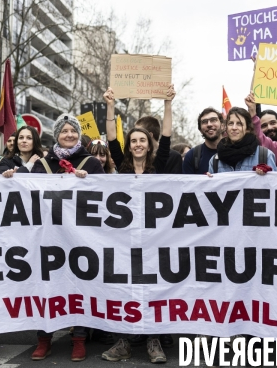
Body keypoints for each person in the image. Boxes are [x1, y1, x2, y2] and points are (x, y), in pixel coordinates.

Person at [2, 114, 102, 362]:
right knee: (46, 285)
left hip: (80, 238)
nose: (69, 135)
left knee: (78, 286)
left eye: (73, 131)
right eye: (64, 131)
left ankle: (78, 339)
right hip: (48, 237)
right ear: (56, 135)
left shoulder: (91, 163)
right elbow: (27, 195)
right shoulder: (43, 164)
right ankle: (43, 338)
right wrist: (11, 179)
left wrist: (88, 182)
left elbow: (104, 193)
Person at [102, 85, 175, 364]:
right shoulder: (121, 166)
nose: (137, 145)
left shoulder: (161, 164)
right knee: (126, 288)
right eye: (133, 141)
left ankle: (153, 342)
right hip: (125, 240)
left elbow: (167, 135)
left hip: (155, 240)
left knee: (152, 288)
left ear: (149, 143)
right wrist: (110, 106)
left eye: (142, 140)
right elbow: (111, 140)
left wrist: (168, 104)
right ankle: (123, 342)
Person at [206, 107, 277, 174]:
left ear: (248, 128)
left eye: (239, 124)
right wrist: (209, 180)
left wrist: (268, 175)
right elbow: (211, 186)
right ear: (226, 127)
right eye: (231, 123)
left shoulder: (265, 156)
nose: (234, 128)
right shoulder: (215, 161)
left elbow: (274, 184)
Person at [183, 107, 224, 174]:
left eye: (213, 120)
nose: (209, 124)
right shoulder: (191, 156)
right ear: (200, 130)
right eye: (204, 122)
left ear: (222, 125)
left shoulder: (235, 152)